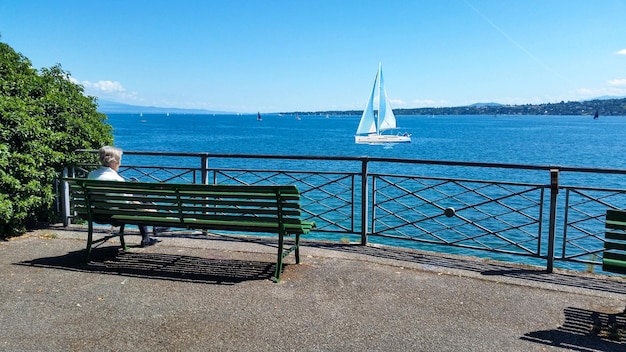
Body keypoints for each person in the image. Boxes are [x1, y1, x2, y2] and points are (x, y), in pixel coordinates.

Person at [87, 146, 160, 247]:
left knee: (138, 195)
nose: (120, 164)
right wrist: (146, 209)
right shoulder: (116, 179)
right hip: (116, 216)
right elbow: (128, 202)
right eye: (119, 161)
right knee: (140, 196)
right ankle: (149, 233)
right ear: (114, 162)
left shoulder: (92, 175)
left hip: (98, 213)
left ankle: (149, 234)